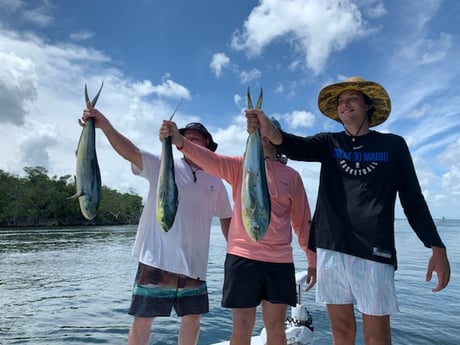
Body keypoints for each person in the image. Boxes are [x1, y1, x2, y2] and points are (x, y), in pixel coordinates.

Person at [245, 76, 451, 345]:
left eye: (352, 98)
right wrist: (265, 126)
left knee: (377, 337)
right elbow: (291, 144)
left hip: (374, 250)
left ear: (368, 105)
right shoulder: (329, 143)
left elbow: (412, 199)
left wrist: (436, 246)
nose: (345, 104)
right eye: (341, 101)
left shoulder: (394, 146)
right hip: (331, 248)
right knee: (341, 333)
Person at [80, 103, 232, 345]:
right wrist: (104, 125)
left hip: (195, 264)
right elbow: (130, 151)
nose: (188, 141)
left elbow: (227, 217)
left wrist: (235, 252)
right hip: (156, 259)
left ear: (207, 146)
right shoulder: (163, 164)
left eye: (195, 139)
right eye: (185, 137)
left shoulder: (216, 180)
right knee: (143, 320)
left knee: (192, 320)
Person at [159, 118, 317, 345]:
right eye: (259, 131)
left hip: (280, 261)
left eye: (268, 131)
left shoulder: (292, 177)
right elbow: (208, 159)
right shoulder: (238, 167)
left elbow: (303, 222)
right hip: (243, 258)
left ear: (277, 136)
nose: (263, 135)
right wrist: (179, 140)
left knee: (276, 330)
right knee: (241, 328)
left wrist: (311, 258)